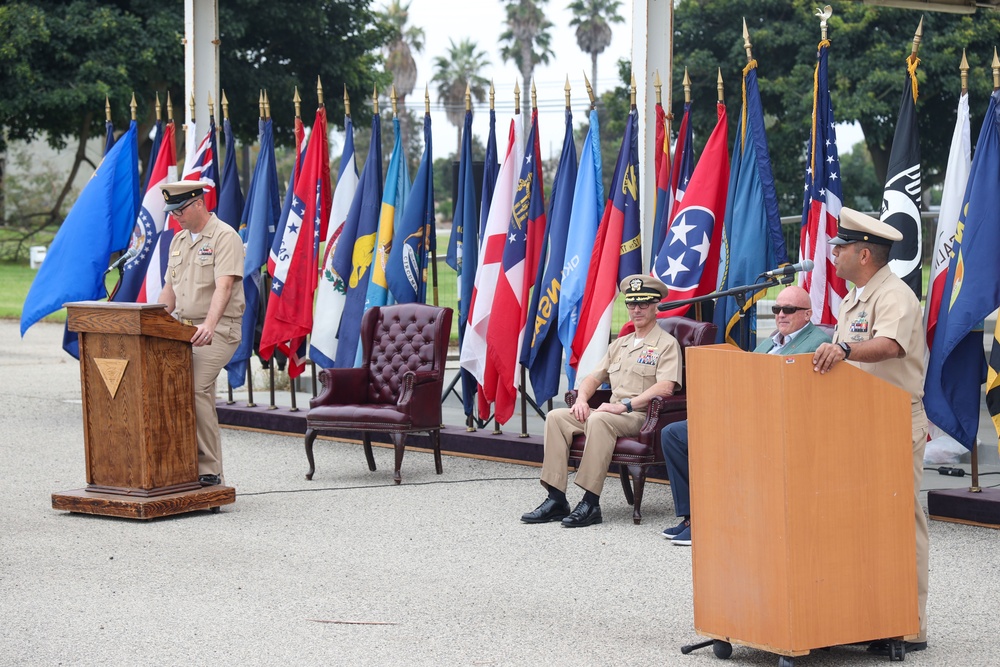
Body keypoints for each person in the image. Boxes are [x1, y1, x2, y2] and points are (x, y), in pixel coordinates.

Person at [811, 207, 928, 655]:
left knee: (901, 522)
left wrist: (843, 347)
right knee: (860, 523)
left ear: (864, 254)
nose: (833, 253)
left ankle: (911, 624)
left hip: (894, 422)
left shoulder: (894, 295)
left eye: (840, 247)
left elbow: (889, 346)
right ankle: (870, 615)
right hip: (856, 424)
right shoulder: (853, 298)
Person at [659, 285, 830, 546]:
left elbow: (794, 390)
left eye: (789, 310)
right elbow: (745, 372)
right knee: (673, 434)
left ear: (807, 314)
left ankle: (713, 522)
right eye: (777, 309)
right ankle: (692, 515)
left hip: (774, 422)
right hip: (742, 412)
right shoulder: (770, 341)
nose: (781, 315)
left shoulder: (816, 342)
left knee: (715, 442)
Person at [521, 275, 683, 527]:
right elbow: (592, 378)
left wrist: (625, 405)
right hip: (609, 414)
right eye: (632, 304)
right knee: (556, 417)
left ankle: (590, 502)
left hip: (638, 416)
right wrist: (582, 400)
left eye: (643, 304)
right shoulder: (620, 344)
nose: (637, 310)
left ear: (656, 306)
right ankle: (556, 498)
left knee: (599, 420)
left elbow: (666, 386)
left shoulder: (666, 344)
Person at [159, 180, 245, 487]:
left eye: (180, 210)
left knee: (194, 387)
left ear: (198, 203)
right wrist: (144, 321)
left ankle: (209, 469)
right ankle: (176, 463)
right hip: (183, 329)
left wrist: (208, 325)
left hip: (218, 330)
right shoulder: (178, 241)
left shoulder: (225, 237)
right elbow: (169, 293)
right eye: (172, 211)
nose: (176, 217)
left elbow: (224, 286)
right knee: (161, 384)